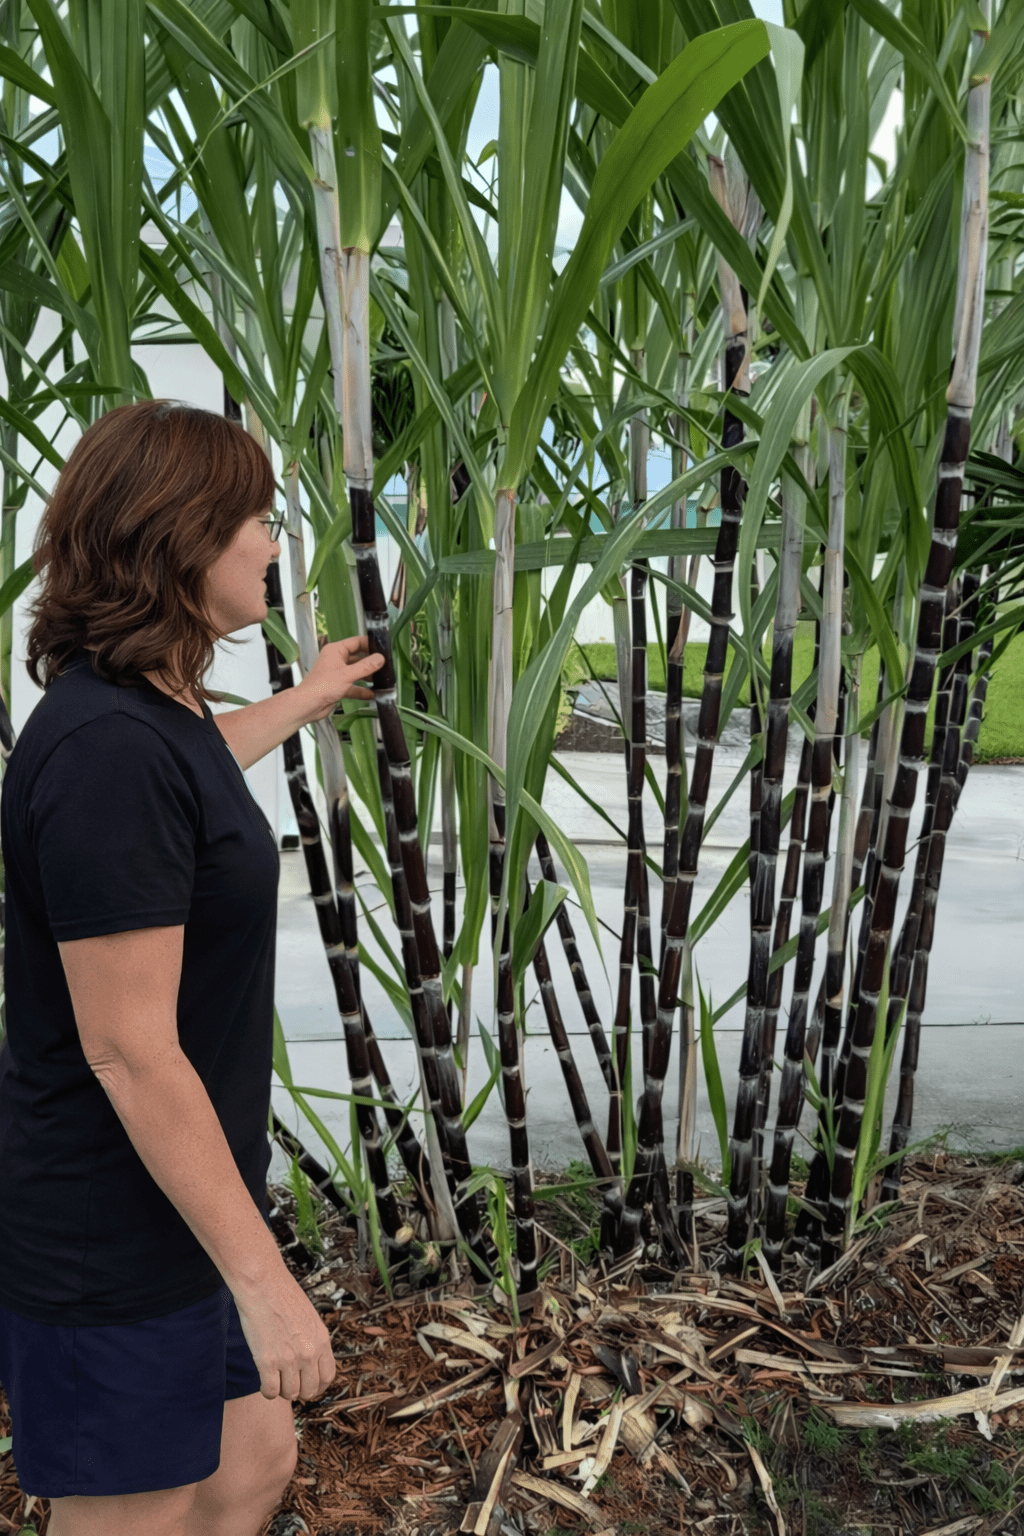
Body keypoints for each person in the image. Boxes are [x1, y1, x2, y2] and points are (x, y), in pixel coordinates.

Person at [0, 400, 385, 1536]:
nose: (274, 542)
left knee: (250, 1457)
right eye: (257, 520)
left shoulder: (146, 719)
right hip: (104, 1226)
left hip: (175, 1205)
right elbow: (126, 1049)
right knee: (146, 1506)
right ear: (178, 539)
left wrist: (309, 698)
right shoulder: (106, 753)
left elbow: (190, 778)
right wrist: (267, 1287)